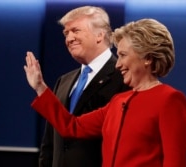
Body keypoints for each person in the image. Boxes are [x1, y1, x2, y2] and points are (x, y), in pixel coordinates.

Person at [24, 18, 186, 167]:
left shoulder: (170, 100)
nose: (118, 64)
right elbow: (72, 127)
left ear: (147, 58)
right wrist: (40, 87)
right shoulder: (118, 101)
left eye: (123, 55)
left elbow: (176, 162)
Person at [35, 6, 130, 167]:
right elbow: (50, 142)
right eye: (66, 33)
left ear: (99, 35)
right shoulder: (63, 81)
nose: (69, 38)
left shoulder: (124, 77)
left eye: (75, 31)